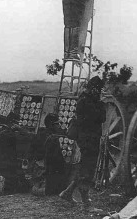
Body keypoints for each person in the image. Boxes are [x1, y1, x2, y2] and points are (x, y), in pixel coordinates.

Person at [59, 76, 106, 211]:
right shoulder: (87, 102)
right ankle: (87, 205)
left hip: (87, 138)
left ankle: (67, 193)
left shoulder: (86, 100)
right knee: (87, 170)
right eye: (99, 90)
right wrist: (100, 104)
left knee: (84, 167)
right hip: (88, 139)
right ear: (95, 89)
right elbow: (101, 117)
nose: (100, 92)